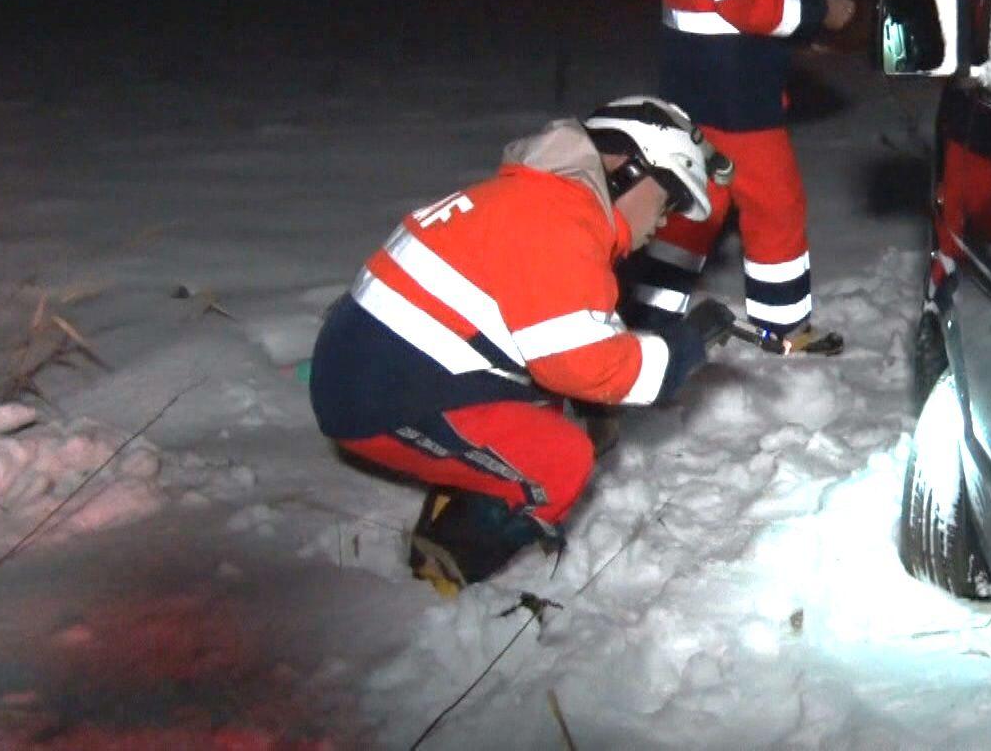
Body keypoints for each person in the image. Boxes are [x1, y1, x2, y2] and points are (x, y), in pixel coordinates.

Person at [308, 96, 740, 594]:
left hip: (377, 368)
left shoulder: (539, 198)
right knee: (560, 461)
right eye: (667, 200)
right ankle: (444, 573)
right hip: (376, 397)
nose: (663, 222)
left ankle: (471, 483)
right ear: (627, 169)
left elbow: (561, 333)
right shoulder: (561, 226)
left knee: (546, 408)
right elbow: (585, 366)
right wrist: (681, 349)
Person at [625, 0, 856, 353]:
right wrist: (819, 12)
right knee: (776, 206)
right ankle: (785, 327)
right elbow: (751, 4)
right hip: (736, 99)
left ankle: (648, 322)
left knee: (692, 211)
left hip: (699, 89)